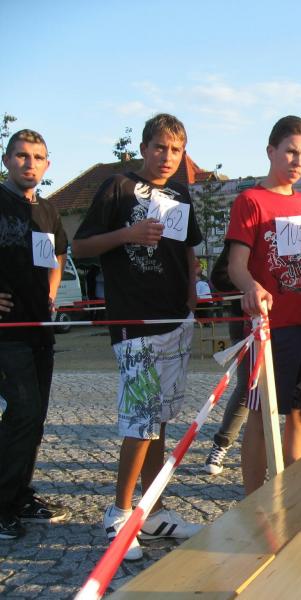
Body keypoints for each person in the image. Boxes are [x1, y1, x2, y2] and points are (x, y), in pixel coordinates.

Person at [72, 114, 203, 561]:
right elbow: (80, 247)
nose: (168, 156)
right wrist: (127, 234)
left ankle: (154, 511)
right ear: (144, 148)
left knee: (160, 419)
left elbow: (189, 249)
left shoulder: (181, 193)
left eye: (176, 149)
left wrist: (192, 292)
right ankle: (119, 512)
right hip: (134, 322)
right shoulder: (118, 187)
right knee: (140, 419)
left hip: (175, 320)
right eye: (160, 147)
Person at [225, 115, 301, 495]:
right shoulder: (250, 201)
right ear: (271, 151)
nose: (298, 162)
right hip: (272, 330)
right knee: (262, 417)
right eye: (291, 152)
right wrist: (252, 287)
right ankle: (253, 501)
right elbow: (236, 265)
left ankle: (297, 497)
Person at [0, 129, 69, 540]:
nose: (30, 163)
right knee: (22, 411)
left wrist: (52, 291)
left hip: (39, 328)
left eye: (38, 157)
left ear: (47, 164)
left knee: (36, 418)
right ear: (7, 160)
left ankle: (19, 495)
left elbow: (59, 252)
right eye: (22, 155)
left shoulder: (48, 211)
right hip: (6, 332)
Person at [203, 243, 250, 475]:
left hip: (290, 321)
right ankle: (222, 443)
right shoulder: (243, 234)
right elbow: (219, 277)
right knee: (248, 387)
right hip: (246, 319)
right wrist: (251, 285)